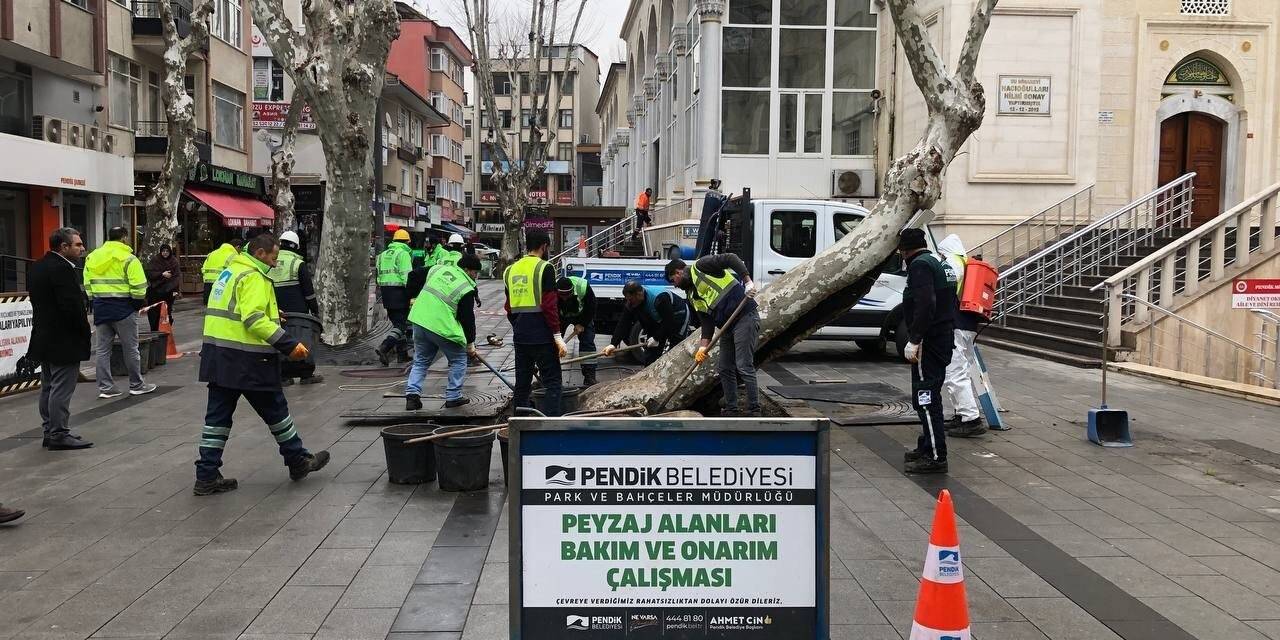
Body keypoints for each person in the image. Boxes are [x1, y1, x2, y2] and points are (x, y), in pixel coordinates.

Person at [195, 233, 329, 495]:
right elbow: (253, 319)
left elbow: (235, 310)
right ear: (259, 254)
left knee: (217, 419)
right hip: (249, 358)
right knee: (276, 411)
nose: (276, 262)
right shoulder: (254, 276)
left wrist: (271, 314)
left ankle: (206, 475)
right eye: (273, 257)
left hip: (219, 356)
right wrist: (289, 344)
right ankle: (297, 460)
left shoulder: (230, 272)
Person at [665, 254, 760, 416]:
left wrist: (747, 281)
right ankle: (732, 409)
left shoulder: (702, 266)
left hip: (745, 317)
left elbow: (731, 258)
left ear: (678, 272)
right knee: (724, 368)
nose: (674, 285)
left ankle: (754, 409)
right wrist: (702, 348)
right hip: (727, 327)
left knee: (743, 365)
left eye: (672, 280)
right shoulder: (691, 295)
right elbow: (707, 323)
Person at [899, 228, 960, 474]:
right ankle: (926, 445)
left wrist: (915, 339)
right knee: (929, 393)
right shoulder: (938, 261)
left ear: (905, 250)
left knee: (925, 398)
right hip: (943, 335)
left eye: (901, 251)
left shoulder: (920, 266)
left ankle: (936, 456)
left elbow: (926, 303)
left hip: (929, 341)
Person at [27, 227, 94, 450]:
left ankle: (49, 430)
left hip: (44, 337)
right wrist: (84, 331)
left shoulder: (38, 266)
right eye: (77, 245)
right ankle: (58, 433)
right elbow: (71, 307)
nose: (82, 248)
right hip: (64, 340)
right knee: (61, 388)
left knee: (48, 386)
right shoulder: (62, 269)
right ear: (63, 247)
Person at [84, 226, 157, 400]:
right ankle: (137, 385)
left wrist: (95, 299)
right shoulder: (129, 259)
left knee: (102, 350)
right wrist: (135, 304)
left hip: (101, 307)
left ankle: (106, 388)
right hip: (124, 308)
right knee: (131, 348)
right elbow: (139, 288)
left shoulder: (92, 256)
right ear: (124, 238)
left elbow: (87, 283)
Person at [404, 254, 481, 410]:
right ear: (467, 270)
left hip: (419, 320)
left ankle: (412, 396)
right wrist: (470, 344)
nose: (476, 276)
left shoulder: (438, 269)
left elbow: (413, 275)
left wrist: (412, 297)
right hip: (441, 327)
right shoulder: (466, 287)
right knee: (459, 360)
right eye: (475, 272)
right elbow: (467, 319)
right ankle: (453, 397)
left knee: (421, 361)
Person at [504, 230, 565, 416]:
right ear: (544, 246)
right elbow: (549, 306)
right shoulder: (545, 268)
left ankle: (520, 426)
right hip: (543, 336)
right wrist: (557, 336)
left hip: (521, 335)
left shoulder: (509, 270)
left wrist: (519, 326)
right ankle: (551, 427)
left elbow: (508, 307)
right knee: (552, 382)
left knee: (522, 384)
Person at [938, 234, 988, 438]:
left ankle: (970, 418)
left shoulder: (952, 263)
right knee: (961, 371)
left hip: (957, 324)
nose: (939, 257)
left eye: (940, 254)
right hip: (968, 324)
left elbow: (945, 291)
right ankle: (962, 414)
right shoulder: (965, 262)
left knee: (954, 373)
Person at [268, 231, 323, 386]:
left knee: (280, 341)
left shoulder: (270, 261)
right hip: (299, 311)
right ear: (295, 246)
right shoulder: (297, 263)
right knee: (303, 341)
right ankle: (306, 375)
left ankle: (284, 376)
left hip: (277, 311)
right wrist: (315, 309)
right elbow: (308, 291)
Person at [603, 280, 690, 364]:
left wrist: (656, 338)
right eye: (627, 299)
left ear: (639, 294)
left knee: (676, 349)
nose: (629, 302)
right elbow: (623, 323)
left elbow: (669, 321)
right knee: (651, 353)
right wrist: (613, 344)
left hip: (678, 315)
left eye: (631, 299)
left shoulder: (659, 298)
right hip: (660, 319)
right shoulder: (632, 302)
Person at [375, 229, 414, 366]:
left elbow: (378, 276)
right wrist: (412, 295)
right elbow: (407, 277)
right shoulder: (403, 254)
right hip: (399, 292)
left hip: (386, 293)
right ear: (406, 242)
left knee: (397, 323)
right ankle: (385, 347)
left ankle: (402, 355)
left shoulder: (382, 255)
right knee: (401, 325)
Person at [555, 275, 598, 387]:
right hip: (561, 317)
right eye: (562, 296)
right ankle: (551, 377)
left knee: (587, 343)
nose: (564, 298)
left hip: (582, 315)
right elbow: (551, 311)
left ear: (572, 290)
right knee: (553, 344)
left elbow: (592, 306)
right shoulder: (552, 291)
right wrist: (557, 335)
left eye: (567, 295)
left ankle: (589, 376)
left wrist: (583, 323)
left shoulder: (582, 287)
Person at [144, 244, 181, 331]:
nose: (165, 253)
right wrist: (162, 274)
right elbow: (150, 273)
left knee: (167, 311)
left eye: (167, 251)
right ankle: (154, 329)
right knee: (154, 312)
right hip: (155, 291)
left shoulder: (174, 261)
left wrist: (175, 290)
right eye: (163, 251)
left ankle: (165, 329)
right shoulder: (155, 260)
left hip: (169, 291)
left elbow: (176, 276)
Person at [202, 236, 245, 304]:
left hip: (207, 282)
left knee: (208, 304)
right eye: (241, 249)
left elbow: (204, 267)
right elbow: (235, 270)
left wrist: (205, 278)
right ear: (238, 247)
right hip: (221, 283)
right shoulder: (233, 256)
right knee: (219, 304)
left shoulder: (212, 253)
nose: (240, 252)